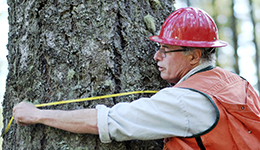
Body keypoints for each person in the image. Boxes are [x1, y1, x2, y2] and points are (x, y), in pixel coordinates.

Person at [13, 7, 260, 149]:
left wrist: (38, 115)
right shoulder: (235, 83)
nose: (156, 56)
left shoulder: (185, 102)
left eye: (166, 49)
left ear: (194, 56)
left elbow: (107, 122)